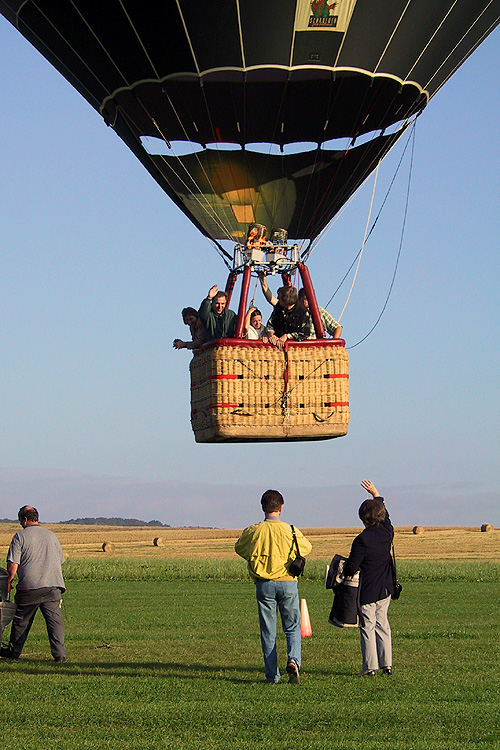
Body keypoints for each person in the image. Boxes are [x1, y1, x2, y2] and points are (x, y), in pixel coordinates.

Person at [235, 489, 312, 684]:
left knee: (268, 631)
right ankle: (294, 660)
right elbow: (306, 548)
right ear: (281, 508)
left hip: (264, 584)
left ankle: (272, 675)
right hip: (288, 583)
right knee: (292, 627)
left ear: (263, 507)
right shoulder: (291, 530)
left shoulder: (254, 531)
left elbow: (240, 548)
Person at [0, 506, 66, 662]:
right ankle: (59, 655)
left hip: (29, 588)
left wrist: (8, 582)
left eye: (20, 521)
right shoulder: (51, 536)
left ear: (24, 519)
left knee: (21, 621)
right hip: (53, 586)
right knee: (55, 622)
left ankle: (14, 652)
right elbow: (60, 560)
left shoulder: (20, 536)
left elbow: (13, 565)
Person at [343, 480, 394, 676]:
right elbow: (386, 516)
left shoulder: (361, 540)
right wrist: (376, 494)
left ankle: (370, 667)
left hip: (367, 590)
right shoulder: (387, 532)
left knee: (368, 627)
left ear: (363, 519)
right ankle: (387, 665)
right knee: (383, 625)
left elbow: (351, 567)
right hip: (385, 588)